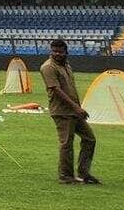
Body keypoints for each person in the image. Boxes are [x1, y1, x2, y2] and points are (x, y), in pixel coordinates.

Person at [39, 39, 99, 185]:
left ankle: (84, 173)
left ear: (66, 52)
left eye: (60, 51)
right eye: (54, 51)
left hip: (73, 111)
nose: (57, 54)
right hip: (62, 111)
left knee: (90, 139)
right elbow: (56, 89)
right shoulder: (48, 67)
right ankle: (66, 176)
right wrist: (76, 108)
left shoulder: (66, 65)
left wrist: (77, 108)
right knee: (66, 143)